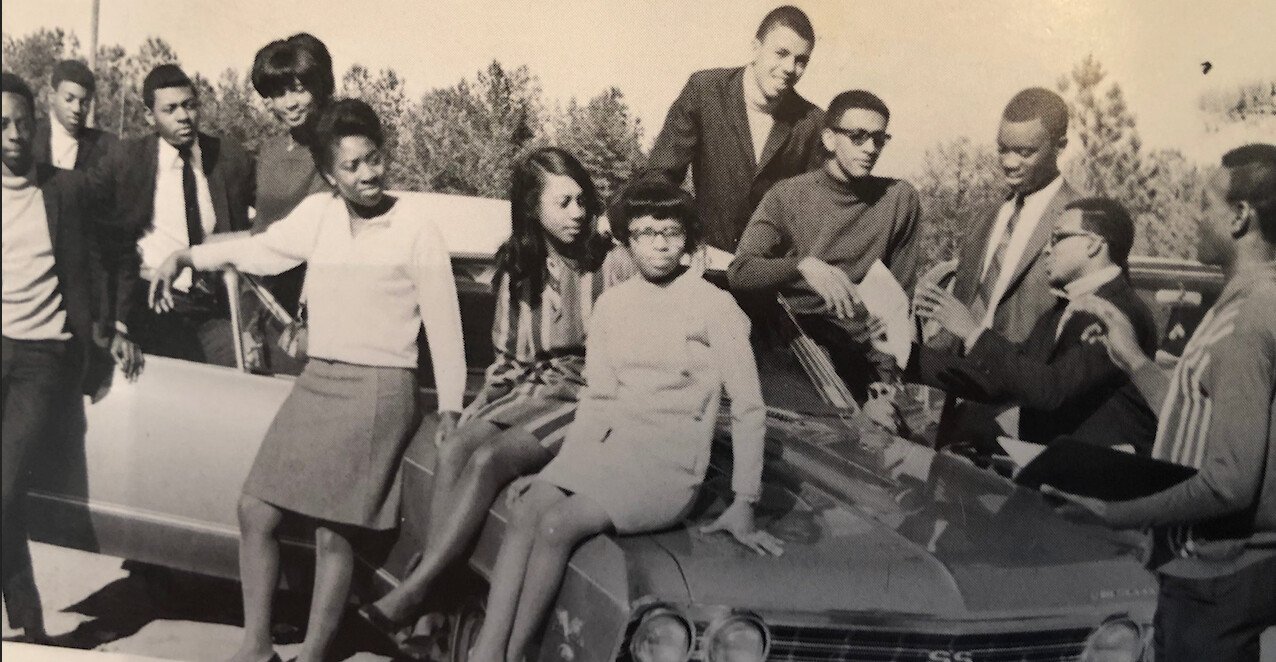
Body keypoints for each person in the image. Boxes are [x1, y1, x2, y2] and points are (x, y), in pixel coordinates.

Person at [149, 99, 467, 662]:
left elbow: (444, 322)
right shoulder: (319, 214)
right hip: (320, 380)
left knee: (333, 532)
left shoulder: (417, 227)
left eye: (374, 158)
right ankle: (256, 648)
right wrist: (188, 257)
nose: (367, 174)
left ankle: (315, 655)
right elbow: (260, 251)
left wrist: (450, 407)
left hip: (379, 388)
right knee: (255, 510)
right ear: (328, 173)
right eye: (351, 166)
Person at [469, 178, 783, 662]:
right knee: (529, 508)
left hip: (668, 469)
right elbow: (599, 401)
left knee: (556, 526)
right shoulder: (612, 304)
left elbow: (747, 407)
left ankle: (515, 654)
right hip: (611, 453)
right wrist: (556, 471)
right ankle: (487, 652)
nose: (660, 244)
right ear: (626, 240)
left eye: (671, 232)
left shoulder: (715, 307)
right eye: (646, 233)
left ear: (688, 238)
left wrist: (745, 500)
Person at [358, 147, 634, 651]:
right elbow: (508, 357)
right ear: (532, 208)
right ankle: (430, 609)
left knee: (489, 460)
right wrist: (477, 409)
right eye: (563, 203)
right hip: (530, 389)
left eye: (581, 200)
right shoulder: (518, 264)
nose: (577, 212)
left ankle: (418, 592)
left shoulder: (612, 263)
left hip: (585, 396)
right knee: (456, 448)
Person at [1046, 144, 1276, 662]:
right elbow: (1201, 415)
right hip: (1221, 575)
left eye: (1205, 204)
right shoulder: (1251, 302)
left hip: (1216, 580)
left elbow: (1229, 483)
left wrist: (1115, 514)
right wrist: (1134, 361)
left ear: (1240, 217)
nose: (1195, 217)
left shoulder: (1248, 321)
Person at [1, 71, 118, 644]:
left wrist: (113, 328)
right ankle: (28, 623)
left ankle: (28, 621)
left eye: (22, 122)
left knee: (4, 490)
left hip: (40, 357)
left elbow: (101, 262)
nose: (14, 134)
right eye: (2, 124)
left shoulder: (65, 190)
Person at [910, 197, 1159, 452]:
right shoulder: (1063, 310)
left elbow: (1051, 389)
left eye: (1057, 238)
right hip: (1061, 463)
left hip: (1104, 470)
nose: (1046, 250)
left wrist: (972, 332)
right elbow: (1006, 378)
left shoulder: (1119, 314)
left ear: (1093, 244)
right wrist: (909, 357)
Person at [728, 89, 922, 400]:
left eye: (879, 139)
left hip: (865, 362)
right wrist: (802, 266)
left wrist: (886, 378)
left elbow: (898, 300)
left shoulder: (899, 199)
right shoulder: (787, 196)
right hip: (799, 355)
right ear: (830, 139)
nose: (870, 148)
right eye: (858, 137)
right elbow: (740, 271)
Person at [922, 87, 1080, 447]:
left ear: (1060, 146)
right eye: (1002, 149)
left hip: (1027, 421)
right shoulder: (986, 218)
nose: (1009, 163)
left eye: (1025, 152)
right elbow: (963, 318)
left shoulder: (1078, 220)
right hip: (960, 414)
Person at [88, 64, 255, 367]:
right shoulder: (126, 161)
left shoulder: (229, 157)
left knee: (249, 369)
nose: (183, 116)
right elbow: (87, 224)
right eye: (170, 109)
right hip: (151, 307)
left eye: (190, 105)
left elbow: (269, 220)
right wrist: (113, 321)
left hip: (214, 308)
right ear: (149, 115)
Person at [645, 5, 824, 252]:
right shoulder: (704, 91)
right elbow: (661, 176)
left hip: (768, 269)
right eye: (781, 53)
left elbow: (815, 210)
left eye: (801, 60)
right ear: (755, 48)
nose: (789, 68)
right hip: (703, 257)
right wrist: (681, 239)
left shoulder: (813, 122)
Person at [245, 32, 336, 374]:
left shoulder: (336, 149)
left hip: (315, 313)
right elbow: (259, 234)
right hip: (267, 305)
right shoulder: (270, 152)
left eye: (299, 89)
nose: (290, 103)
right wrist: (250, 320)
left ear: (320, 87)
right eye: (279, 93)